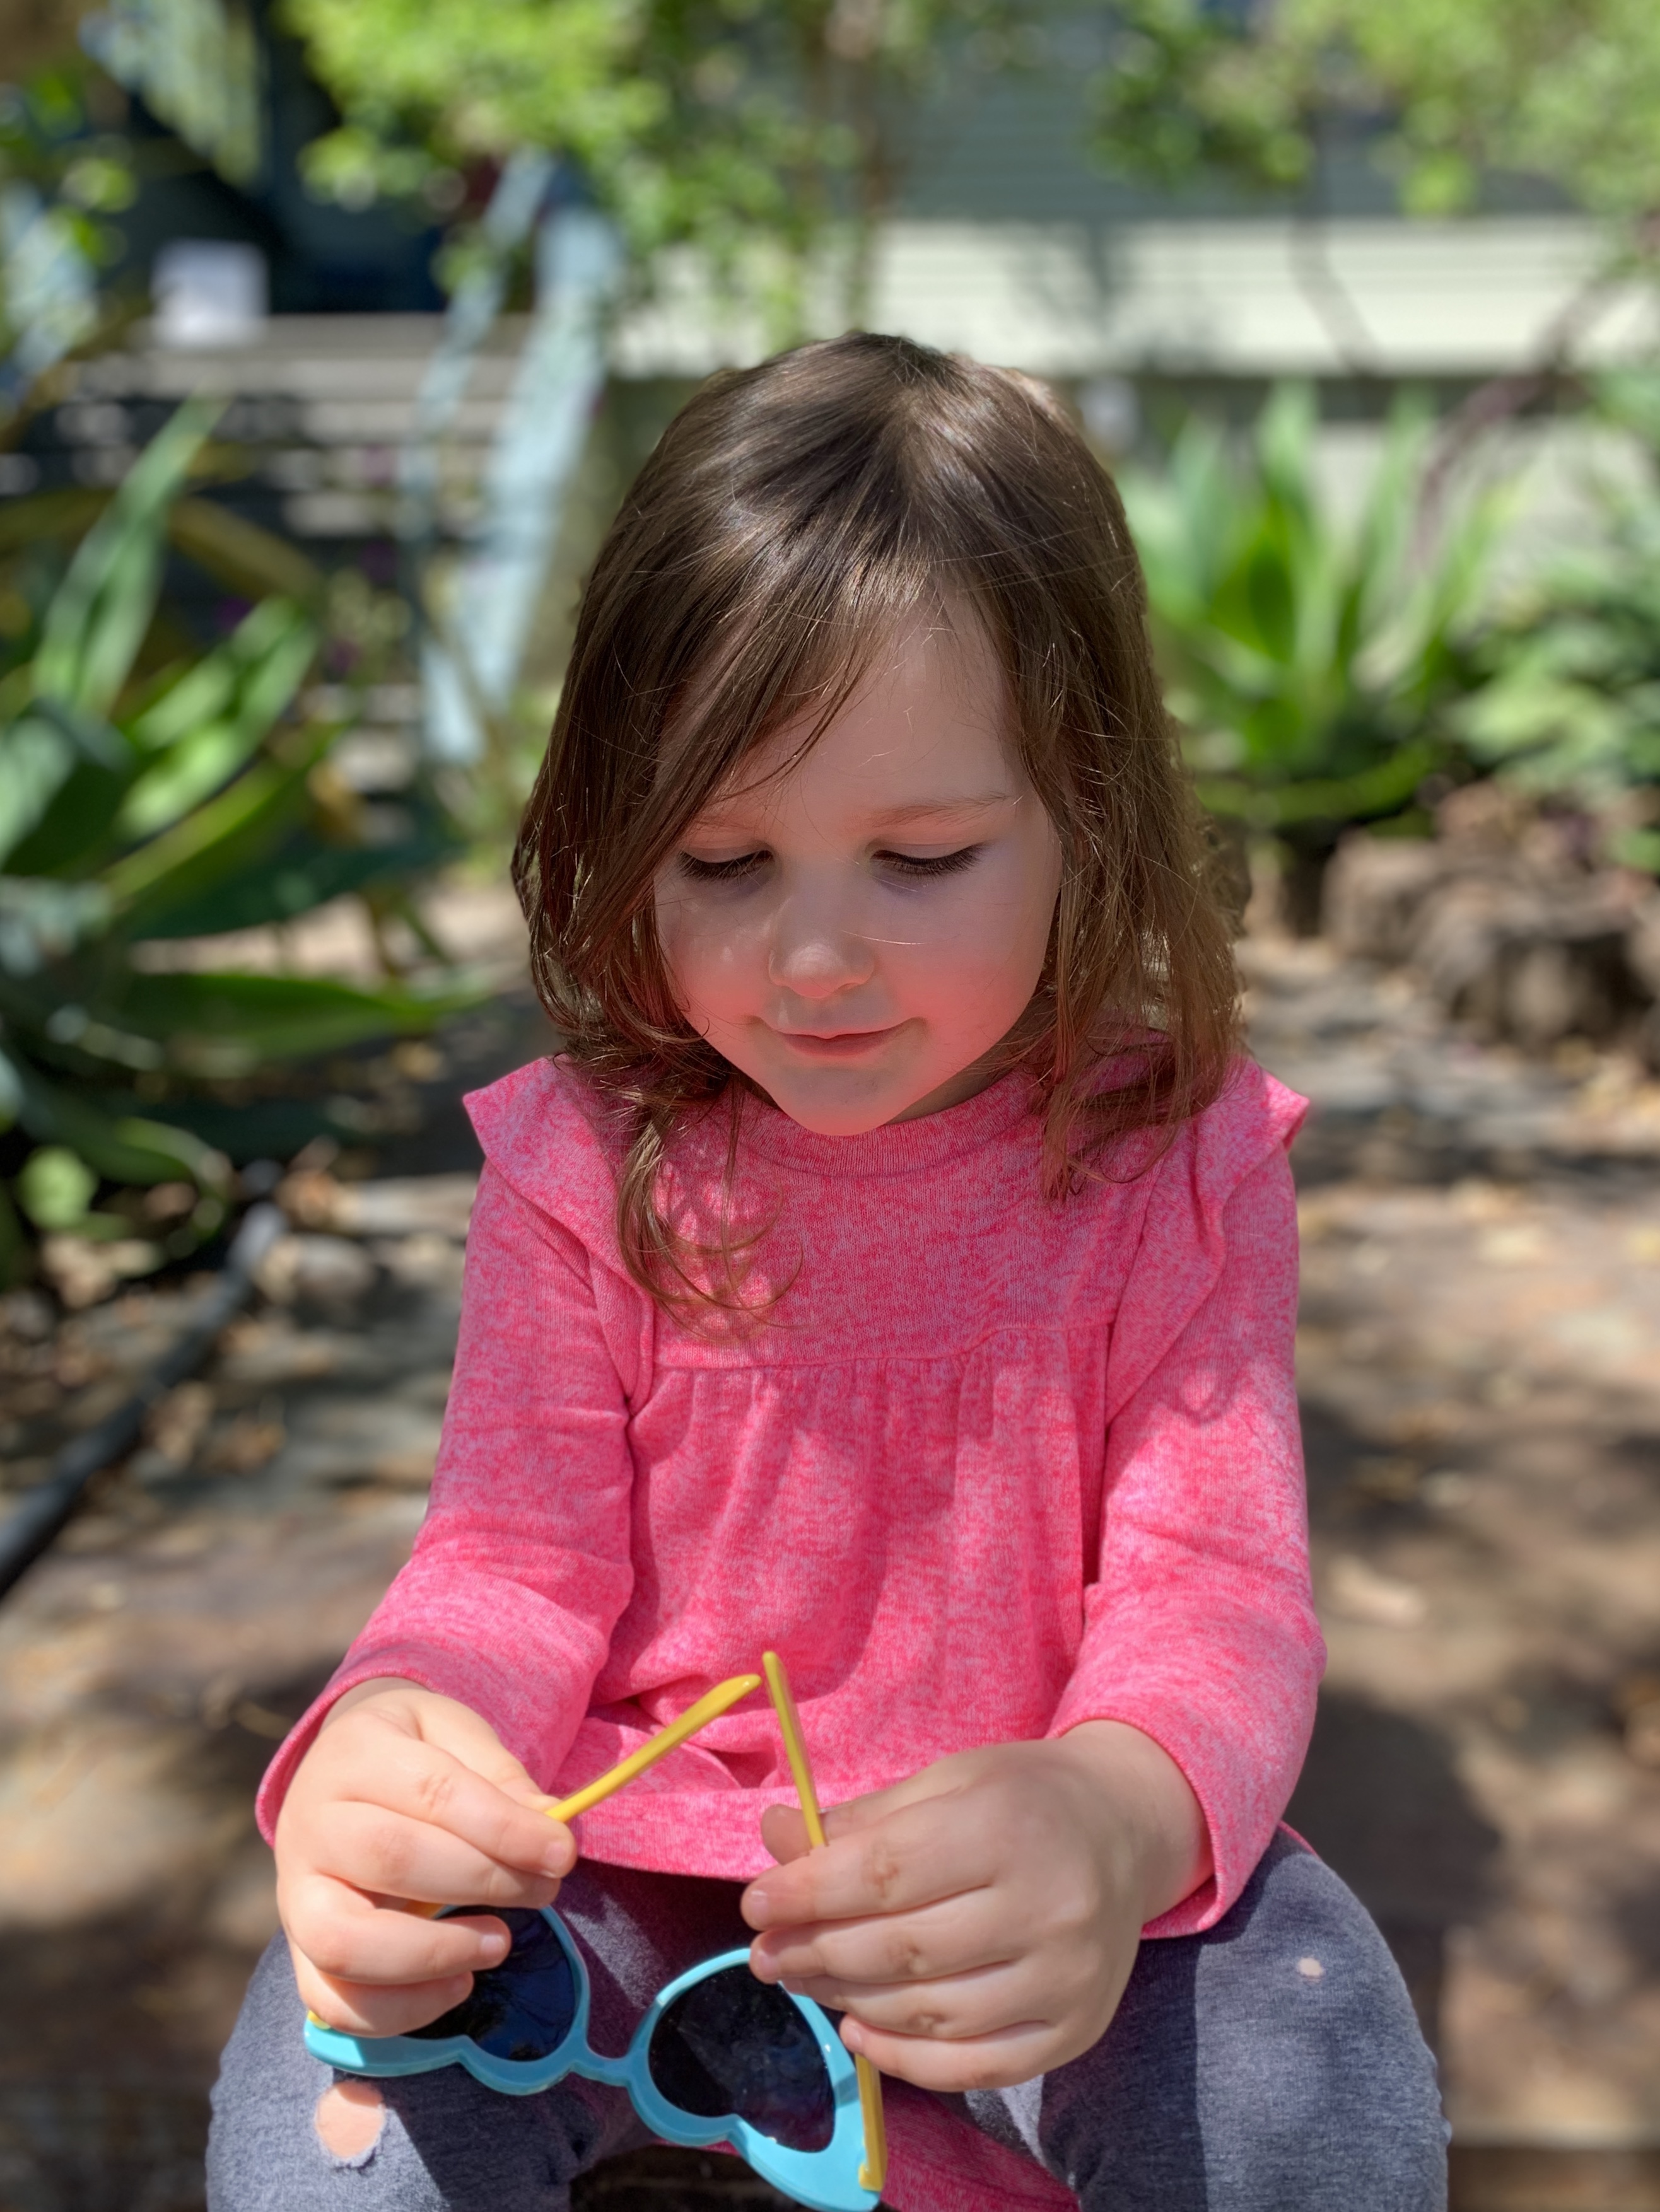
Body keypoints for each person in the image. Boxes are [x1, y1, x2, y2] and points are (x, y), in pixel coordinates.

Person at [207, 334, 1446, 2212]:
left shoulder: (1180, 1165)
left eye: (922, 857)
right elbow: (511, 1562)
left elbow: (1215, 1594)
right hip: (616, 1889)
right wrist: (394, 1735)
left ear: (1087, 810)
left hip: (1024, 1893)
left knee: (1303, 2044)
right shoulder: (582, 1159)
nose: (812, 960)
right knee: (333, 2095)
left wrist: (1114, 1814)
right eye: (721, 860)